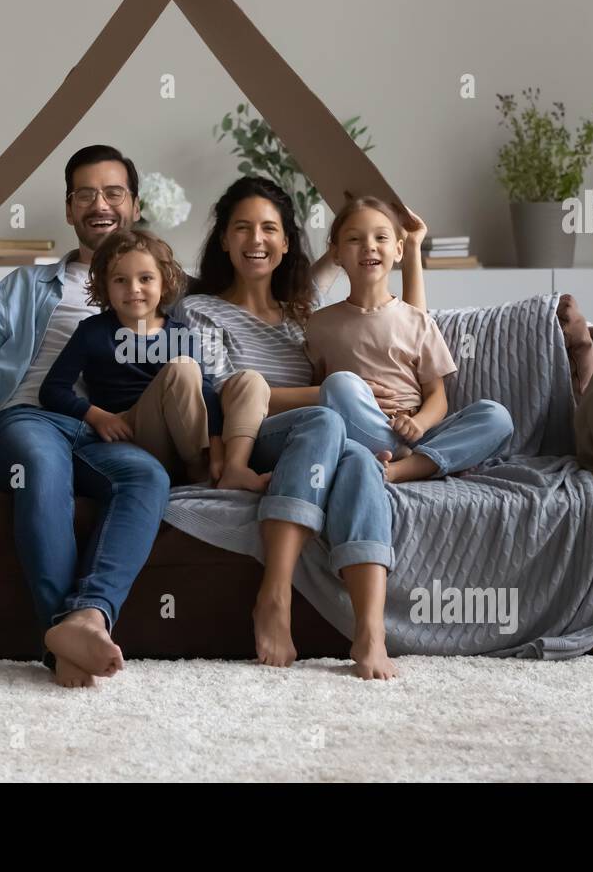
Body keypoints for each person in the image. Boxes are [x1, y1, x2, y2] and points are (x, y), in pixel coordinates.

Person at [0, 144, 170, 689]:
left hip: (102, 437)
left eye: (112, 192)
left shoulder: (158, 287)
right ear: (68, 209)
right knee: (41, 461)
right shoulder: (29, 285)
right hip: (28, 422)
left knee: (147, 475)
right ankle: (61, 635)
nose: (99, 203)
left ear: (133, 203)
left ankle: (88, 616)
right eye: (85, 193)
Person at [172, 176, 431, 680]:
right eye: (242, 228)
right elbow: (227, 388)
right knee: (328, 419)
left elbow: (408, 323)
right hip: (260, 436)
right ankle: (275, 596)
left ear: (287, 242)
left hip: (326, 440)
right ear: (223, 239)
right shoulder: (198, 310)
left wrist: (410, 244)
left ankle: (370, 630)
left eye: (269, 228)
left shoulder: (303, 313)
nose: (256, 239)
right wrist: (335, 390)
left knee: (359, 461)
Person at [40, 229, 271, 490]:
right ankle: (199, 470)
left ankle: (233, 467)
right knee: (183, 368)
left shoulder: (180, 333)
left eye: (146, 278)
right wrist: (98, 417)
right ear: (105, 285)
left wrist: (217, 448)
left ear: (164, 283)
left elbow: (205, 393)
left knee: (251, 381)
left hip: (185, 434)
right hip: (133, 433)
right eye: (120, 280)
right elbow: (52, 390)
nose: (134, 289)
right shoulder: (92, 331)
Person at [307, 196, 514, 484]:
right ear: (336, 253)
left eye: (381, 237)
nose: (369, 246)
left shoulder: (417, 321)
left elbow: (437, 397)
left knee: (497, 416)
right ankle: (412, 462)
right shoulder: (319, 325)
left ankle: (402, 468)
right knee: (337, 386)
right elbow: (320, 394)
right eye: (354, 239)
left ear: (398, 249)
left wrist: (418, 423)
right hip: (364, 432)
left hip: (420, 432)